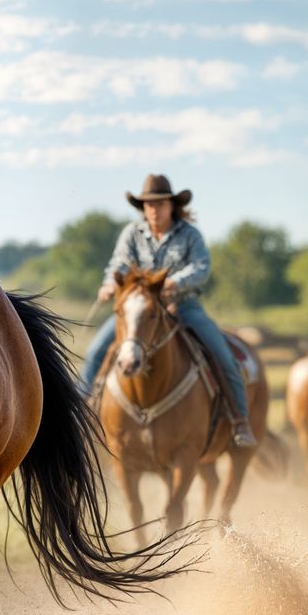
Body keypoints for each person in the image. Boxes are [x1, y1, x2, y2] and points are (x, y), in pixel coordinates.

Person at [78, 174, 258, 449]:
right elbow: (119, 264)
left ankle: (239, 420)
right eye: (148, 204)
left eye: (160, 203)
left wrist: (176, 282)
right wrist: (108, 285)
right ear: (143, 208)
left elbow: (201, 267)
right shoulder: (132, 234)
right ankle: (82, 417)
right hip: (138, 310)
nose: (154, 209)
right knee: (96, 351)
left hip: (183, 306)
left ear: (172, 205)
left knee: (222, 355)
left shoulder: (189, 235)